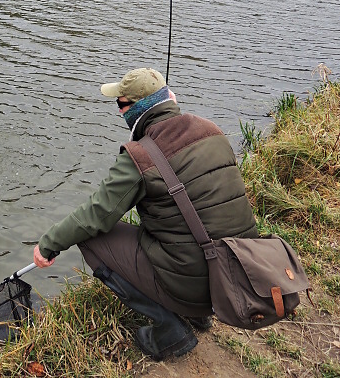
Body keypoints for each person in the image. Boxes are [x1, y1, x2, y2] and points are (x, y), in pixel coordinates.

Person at [33, 67, 258, 361]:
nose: (119, 113)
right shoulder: (212, 131)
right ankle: (200, 314)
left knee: (90, 237)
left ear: (138, 109)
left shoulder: (140, 155)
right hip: (236, 275)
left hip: (198, 283)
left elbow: (95, 214)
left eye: (121, 105)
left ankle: (170, 329)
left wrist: (48, 245)